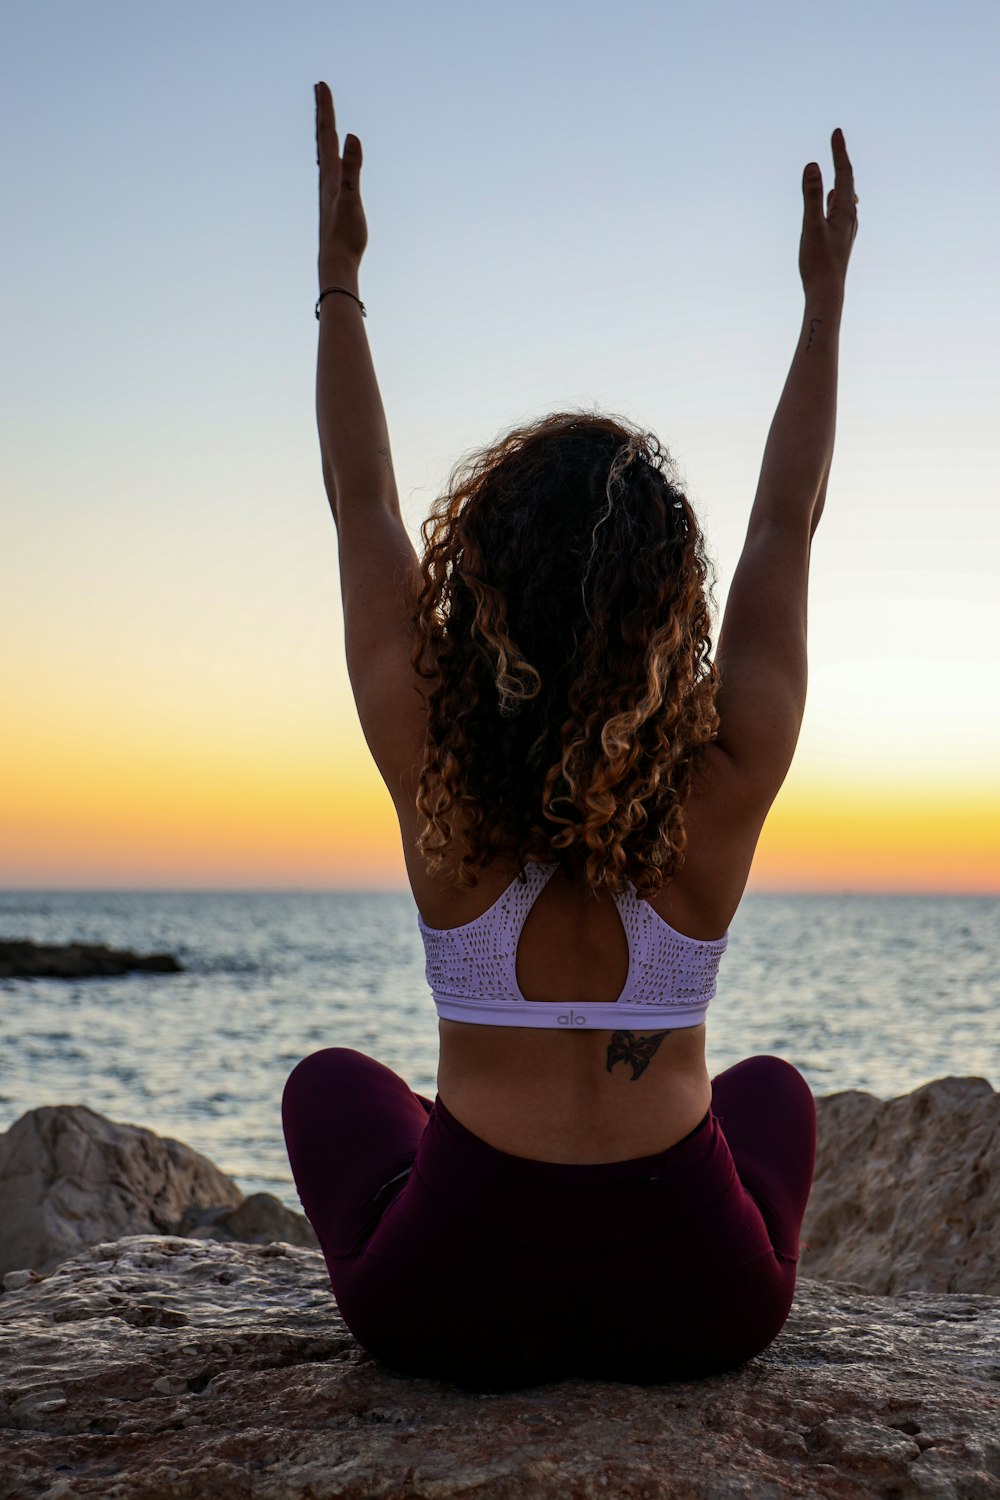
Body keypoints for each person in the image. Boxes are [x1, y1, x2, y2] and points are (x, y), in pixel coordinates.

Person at [283, 81, 858, 1390]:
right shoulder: (727, 778)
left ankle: (474, 1137)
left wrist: (338, 283)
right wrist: (823, 307)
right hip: (699, 1297)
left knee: (331, 1082)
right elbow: (788, 522)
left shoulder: (434, 770)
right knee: (771, 1089)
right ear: (671, 622)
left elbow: (357, 499)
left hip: (453, 1297)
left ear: (480, 592)